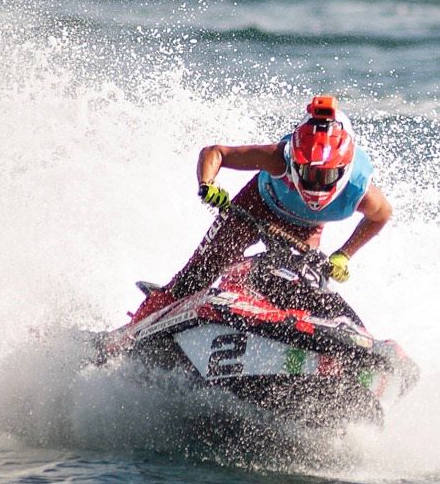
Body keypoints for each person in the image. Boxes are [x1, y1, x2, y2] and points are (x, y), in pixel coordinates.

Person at [127, 95, 392, 325]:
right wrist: (207, 185)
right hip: (254, 207)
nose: (315, 183)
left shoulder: (361, 190)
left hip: (305, 228)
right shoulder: (278, 158)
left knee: (296, 283)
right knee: (202, 271)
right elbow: (215, 153)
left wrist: (344, 255)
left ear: (344, 169)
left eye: (326, 175)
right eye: (307, 172)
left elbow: (381, 217)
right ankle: (140, 323)